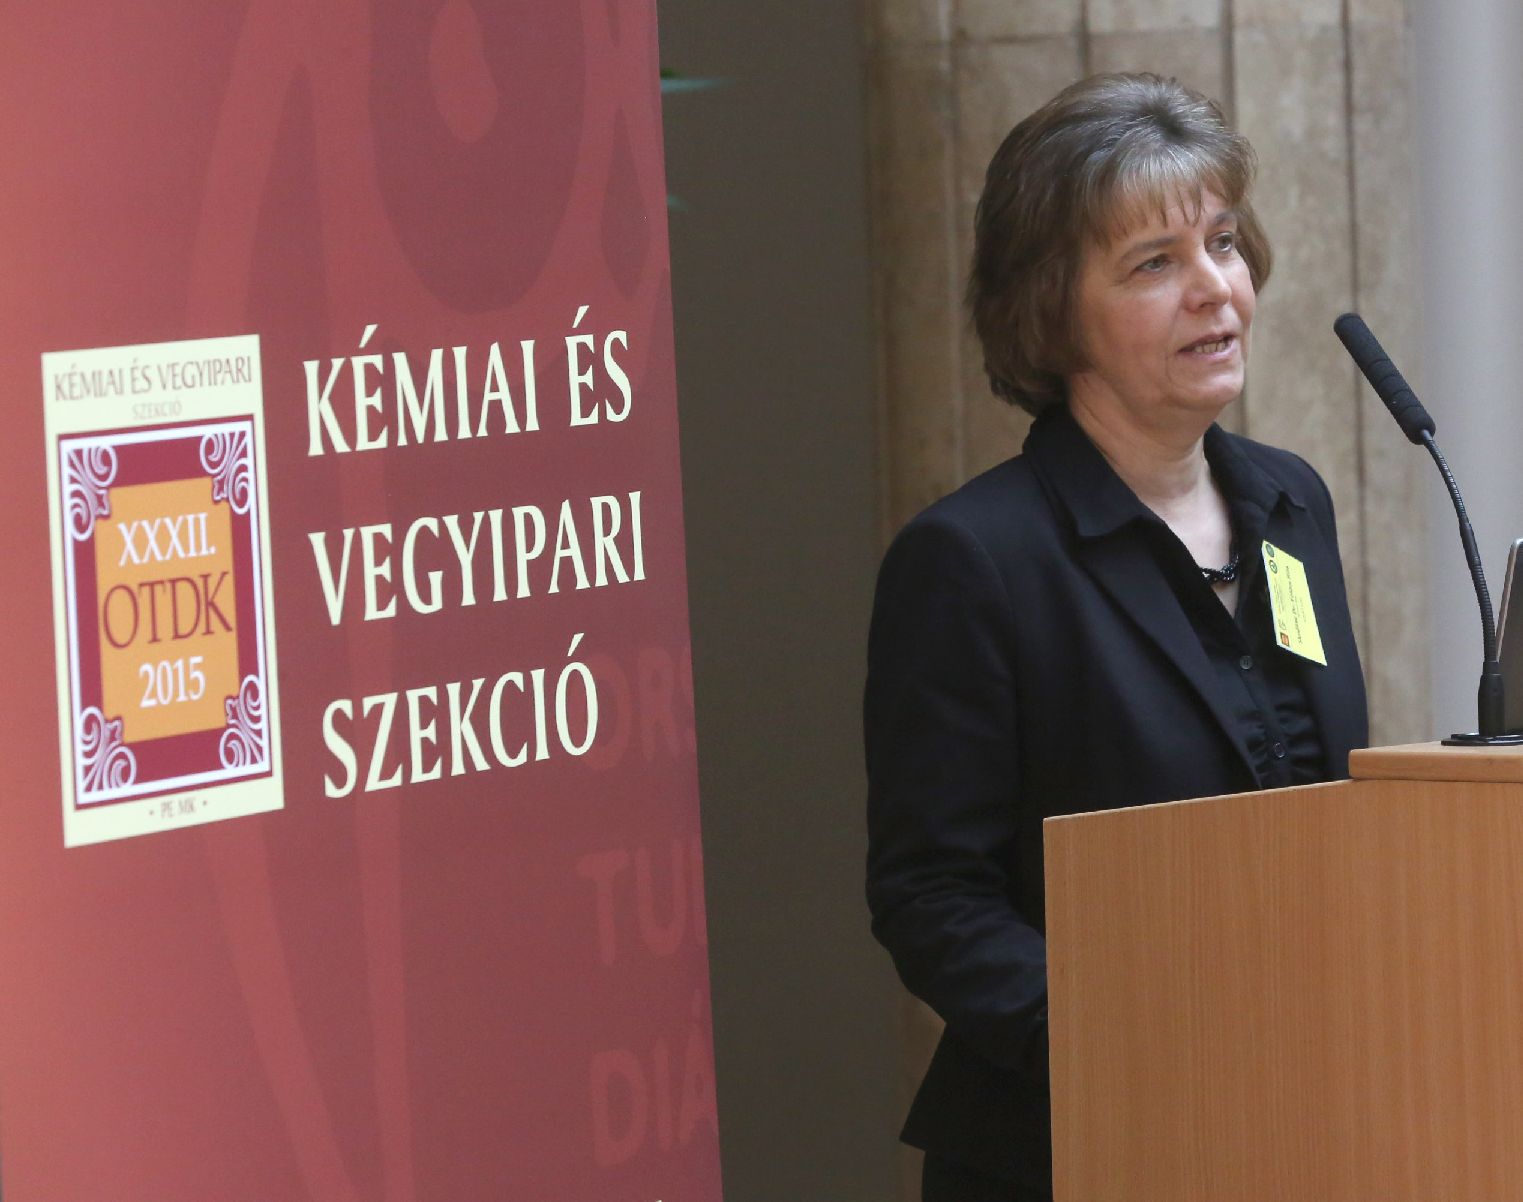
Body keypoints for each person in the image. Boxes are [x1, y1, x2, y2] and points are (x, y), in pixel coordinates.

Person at [863, 73, 1369, 1202]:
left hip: (1303, 1117)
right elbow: (930, 892)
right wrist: (1126, 1043)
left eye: (1223, 244)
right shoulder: (974, 560)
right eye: (1152, 264)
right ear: (1053, 314)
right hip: (1078, 1143)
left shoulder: (1288, 504)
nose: (1213, 288)